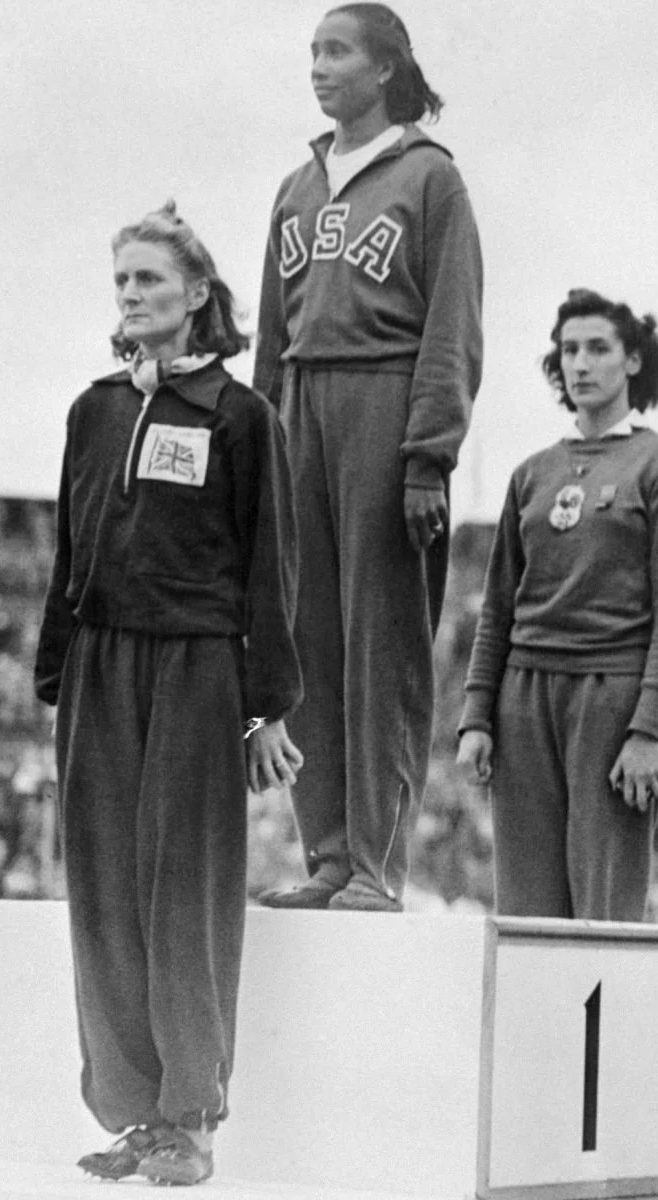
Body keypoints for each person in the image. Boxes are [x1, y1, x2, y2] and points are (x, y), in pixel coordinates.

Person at [34, 202, 302, 1186]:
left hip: (197, 669)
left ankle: (192, 1121)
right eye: (122, 282)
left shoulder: (241, 417)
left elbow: (273, 565)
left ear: (197, 295)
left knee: (179, 896)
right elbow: (69, 554)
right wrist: (58, 672)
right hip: (100, 667)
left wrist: (267, 704)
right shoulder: (94, 409)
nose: (133, 296)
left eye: (150, 279)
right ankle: (136, 1115)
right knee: (103, 894)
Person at [254, 2, 482, 913]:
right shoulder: (296, 186)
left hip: (387, 405)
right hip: (302, 405)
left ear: (385, 69)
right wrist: (261, 446)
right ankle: (329, 855)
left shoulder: (431, 179)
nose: (318, 66)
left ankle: (379, 866)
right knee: (307, 636)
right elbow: (273, 333)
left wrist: (428, 454)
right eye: (312, 50)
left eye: (337, 51)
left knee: (379, 641)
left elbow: (452, 325)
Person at [456, 289, 658, 922]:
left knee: (604, 906)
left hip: (612, 697)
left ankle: (606, 1026)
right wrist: (477, 716)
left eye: (598, 348)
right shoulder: (532, 474)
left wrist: (648, 728)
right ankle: (534, 1027)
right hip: (524, 695)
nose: (581, 363)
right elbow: (498, 610)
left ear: (632, 363)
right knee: (527, 909)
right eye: (569, 350)